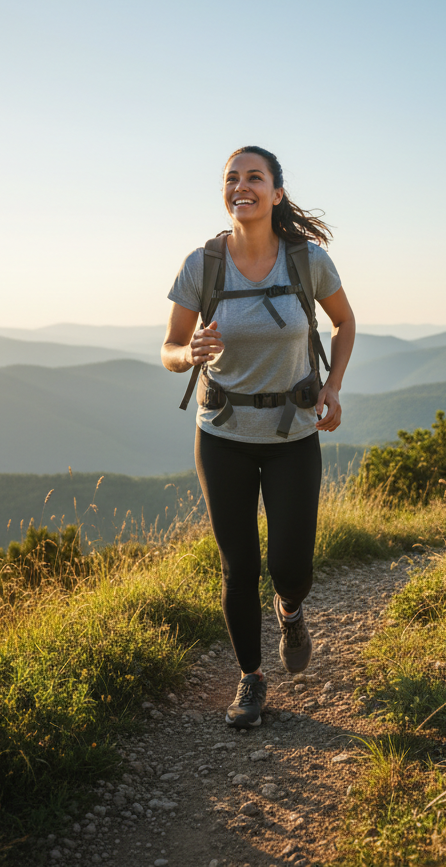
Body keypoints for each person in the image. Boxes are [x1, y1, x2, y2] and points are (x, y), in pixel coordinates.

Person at [161, 145, 355, 729]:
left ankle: (291, 609)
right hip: (221, 434)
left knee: (291, 564)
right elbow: (169, 350)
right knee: (237, 565)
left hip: (295, 431)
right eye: (231, 178)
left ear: (275, 192)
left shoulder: (306, 260)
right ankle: (251, 678)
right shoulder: (202, 264)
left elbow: (345, 322)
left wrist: (333, 387)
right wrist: (186, 352)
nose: (240, 186)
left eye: (254, 177)